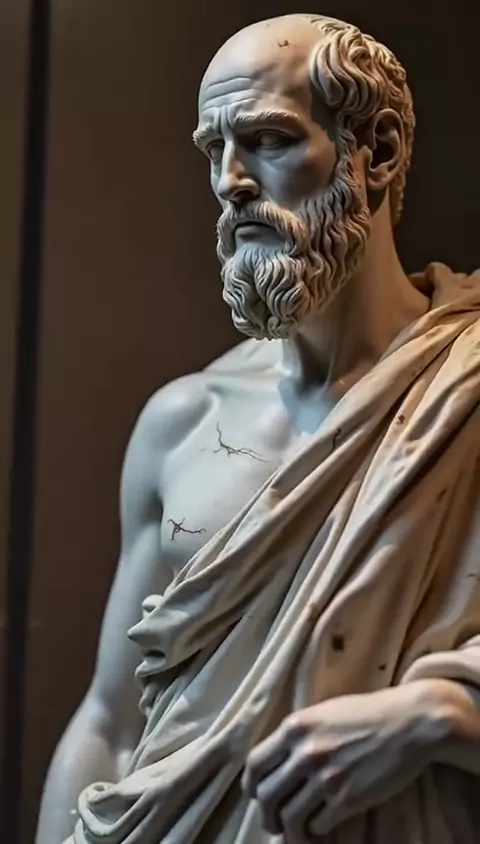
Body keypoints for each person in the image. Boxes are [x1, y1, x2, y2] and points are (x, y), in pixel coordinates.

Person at [36, 13, 480, 844]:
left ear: (377, 151)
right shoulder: (183, 423)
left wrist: (440, 712)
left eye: (269, 139)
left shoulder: (467, 391)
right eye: (214, 149)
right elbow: (109, 721)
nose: (230, 181)